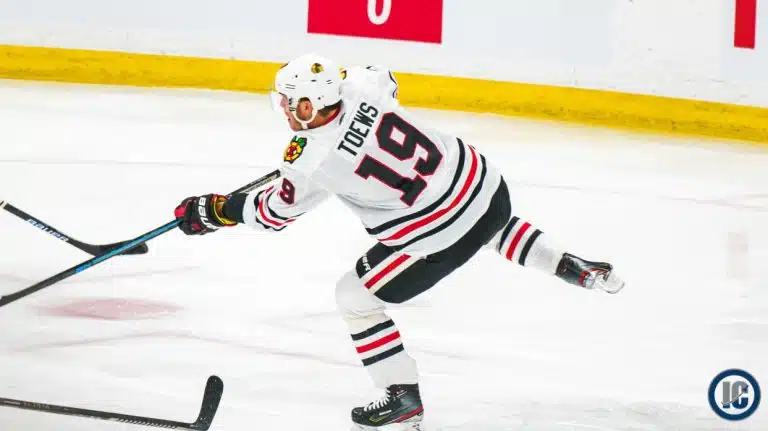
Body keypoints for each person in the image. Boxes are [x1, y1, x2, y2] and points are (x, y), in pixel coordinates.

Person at [172, 53, 625, 430]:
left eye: (292, 103)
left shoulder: (309, 160)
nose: (286, 111)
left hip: (441, 235)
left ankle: (401, 395)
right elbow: (385, 78)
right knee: (477, 221)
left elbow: (273, 213)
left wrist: (217, 210)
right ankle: (572, 265)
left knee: (355, 297)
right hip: (488, 188)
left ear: (311, 105)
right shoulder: (361, 85)